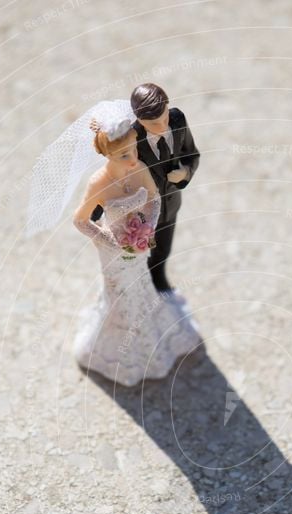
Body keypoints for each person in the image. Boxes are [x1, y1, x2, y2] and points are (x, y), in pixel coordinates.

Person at [71, 112, 202, 386]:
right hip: (113, 251)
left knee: (142, 291)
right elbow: (80, 220)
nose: (132, 159)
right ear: (107, 155)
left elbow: (153, 200)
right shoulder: (99, 183)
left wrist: (146, 228)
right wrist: (108, 240)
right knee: (120, 297)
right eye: (123, 156)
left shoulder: (139, 167)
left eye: (132, 151)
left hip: (139, 245)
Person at [90, 83, 200, 293]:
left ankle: (159, 283)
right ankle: (139, 289)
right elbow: (113, 173)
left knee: (163, 250)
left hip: (171, 202)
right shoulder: (131, 138)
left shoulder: (177, 121)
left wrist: (185, 172)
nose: (162, 126)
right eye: (153, 123)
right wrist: (96, 210)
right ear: (139, 120)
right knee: (137, 255)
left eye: (164, 118)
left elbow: (192, 154)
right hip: (140, 212)